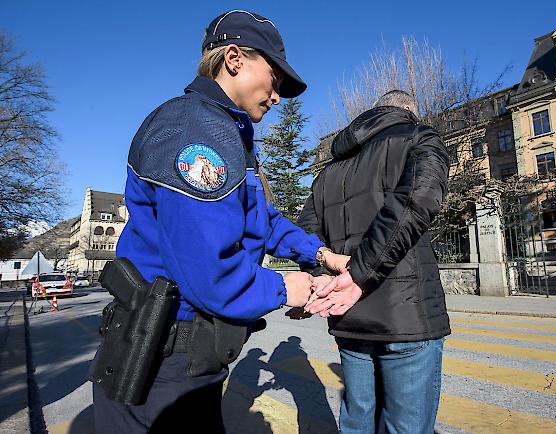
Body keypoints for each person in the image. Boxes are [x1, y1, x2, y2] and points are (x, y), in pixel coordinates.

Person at [91, 10, 348, 433]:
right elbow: (209, 272)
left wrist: (319, 253)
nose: (277, 96)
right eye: (275, 79)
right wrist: (287, 287)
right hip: (159, 363)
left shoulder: (226, 131)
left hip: (186, 361)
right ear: (234, 59)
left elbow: (262, 220)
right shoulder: (198, 131)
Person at [298, 90, 452, 434]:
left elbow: (307, 230)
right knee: (405, 427)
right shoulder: (418, 137)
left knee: (357, 419)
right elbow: (418, 201)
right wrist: (358, 275)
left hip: (347, 316)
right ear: (409, 111)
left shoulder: (329, 172)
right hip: (404, 316)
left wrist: (324, 278)